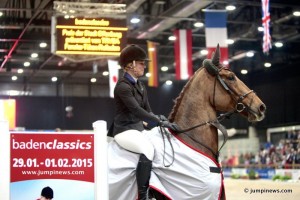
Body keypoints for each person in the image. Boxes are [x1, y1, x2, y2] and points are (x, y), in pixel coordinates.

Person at [108, 44, 179, 200]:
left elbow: (148, 111)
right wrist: (159, 122)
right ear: (131, 64)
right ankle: (143, 195)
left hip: (138, 129)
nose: (144, 66)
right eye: (141, 63)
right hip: (124, 130)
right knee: (147, 149)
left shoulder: (140, 86)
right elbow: (137, 111)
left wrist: (162, 120)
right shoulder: (122, 87)